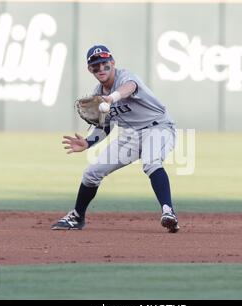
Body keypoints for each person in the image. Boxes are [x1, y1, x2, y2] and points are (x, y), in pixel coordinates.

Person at [51, 45, 179, 233]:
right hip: (130, 135)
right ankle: (77, 216)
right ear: (90, 70)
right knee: (91, 173)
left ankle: (168, 212)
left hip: (158, 127)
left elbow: (130, 88)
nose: (101, 69)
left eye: (104, 63)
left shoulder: (125, 77)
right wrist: (87, 142)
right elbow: (105, 126)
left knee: (151, 163)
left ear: (112, 63)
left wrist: (111, 98)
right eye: (95, 66)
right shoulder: (98, 94)